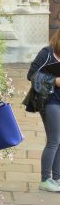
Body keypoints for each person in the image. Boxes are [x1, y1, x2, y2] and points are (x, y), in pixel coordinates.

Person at [27, 30, 60, 192]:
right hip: (49, 100)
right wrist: (55, 80)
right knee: (54, 140)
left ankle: (57, 178)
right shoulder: (47, 53)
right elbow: (31, 75)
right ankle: (45, 179)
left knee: (59, 140)